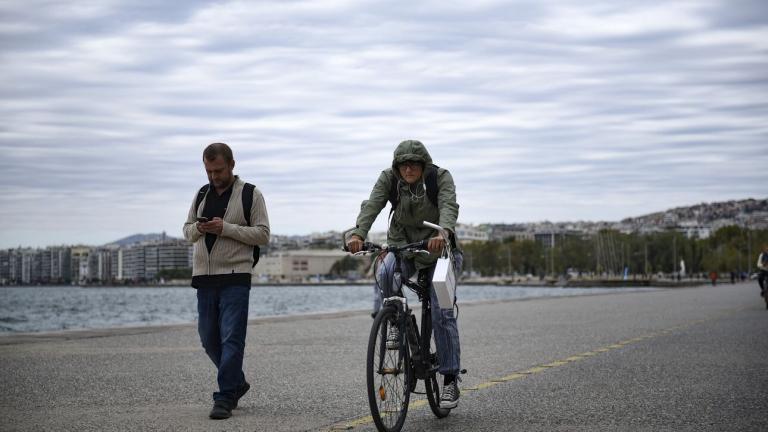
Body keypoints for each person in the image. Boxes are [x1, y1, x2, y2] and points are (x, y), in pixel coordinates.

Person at [346, 140, 463, 409]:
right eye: (403, 164)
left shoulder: (440, 177)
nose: (408, 169)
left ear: (424, 165)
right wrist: (358, 234)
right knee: (385, 272)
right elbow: (372, 205)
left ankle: (450, 380)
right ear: (396, 167)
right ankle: (396, 323)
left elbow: (449, 205)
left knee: (442, 313)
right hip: (404, 246)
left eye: (413, 164)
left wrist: (442, 231)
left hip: (438, 250)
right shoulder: (389, 179)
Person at [183, 143, 270, 420]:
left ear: (232, 164)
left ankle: (224, 397)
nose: (213, 176)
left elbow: (263, 234)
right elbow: (186, 231)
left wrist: (225, 228)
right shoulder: (201, 194)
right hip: (205, 277)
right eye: (208, 171)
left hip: (236, 276)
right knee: (209, 339)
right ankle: (236, 382)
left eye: (218, 170)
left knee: (232, 338)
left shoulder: (250, 194)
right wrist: (198, 228)